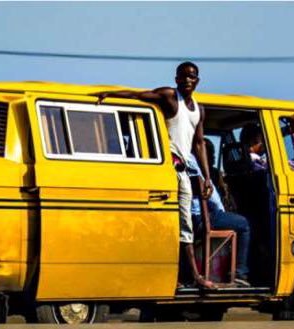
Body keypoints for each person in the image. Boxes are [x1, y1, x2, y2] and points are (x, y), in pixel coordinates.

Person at [90, 61, 215, 289]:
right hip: (167, 166)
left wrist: (208, 177)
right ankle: (189, 276)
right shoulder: (169, 96)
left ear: (198, 80)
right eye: (183, 76)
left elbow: (199, 144)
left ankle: (190, 276)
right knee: (169, 223)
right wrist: (110, 94)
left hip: (183, 170)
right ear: (176, 79)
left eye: (192, 76)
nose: (188, 80)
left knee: (185, 224)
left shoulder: (199, 109)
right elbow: (139, 96)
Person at [188, 153, 251, 287]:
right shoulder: (191, 160)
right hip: (200, 218)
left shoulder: (178, 158)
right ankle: (240, 273)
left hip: (186, 219)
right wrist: (222, 213)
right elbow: (214, 201)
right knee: (243, 224)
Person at [204, 138, 237, 212]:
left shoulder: (216, 172)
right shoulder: (209, 174)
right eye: (210, 154)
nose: (214, 157)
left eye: (213, 153)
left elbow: (224, 192)